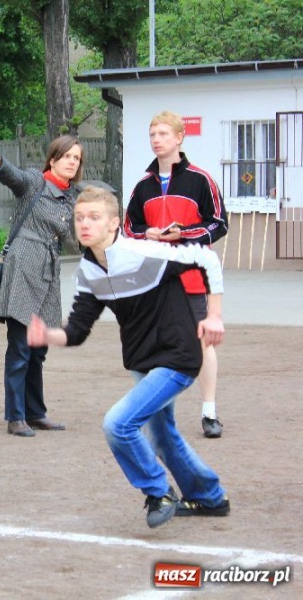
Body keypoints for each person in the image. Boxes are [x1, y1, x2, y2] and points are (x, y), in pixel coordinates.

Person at [27, 186, 230, 528]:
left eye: (94, 217)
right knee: (162, 436)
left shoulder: (145, 252)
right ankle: (210, 498)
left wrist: (214, 315)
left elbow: (206, 258)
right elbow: (77, 329)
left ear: (113, 223)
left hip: (178, 355)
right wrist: (48, 335)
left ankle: (158, 491)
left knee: (118, 424)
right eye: (79, 218)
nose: (85, 224)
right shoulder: (89, 270)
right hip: (142, 361)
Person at [124, 110, 229, 439]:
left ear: (179, 138)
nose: (157, 140)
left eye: (163, 134)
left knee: (202, 342)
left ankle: (209, 412)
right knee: (154, 345)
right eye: (152, 134)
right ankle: (156, 413)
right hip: (153, 278)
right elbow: (130, 228)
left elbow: (219, 223)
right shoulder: (142, 185)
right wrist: (149, 235)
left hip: (194, 277)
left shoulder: (200, 179)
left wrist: (184, 234)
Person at [0, 135, 83, 437]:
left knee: (38, 348)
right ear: (53, 159)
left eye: (76, 158)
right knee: (20, 347)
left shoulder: (70, 198)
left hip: (48, 272)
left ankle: (36, 413)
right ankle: (15, 417)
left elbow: (76, 241)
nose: (72, 162)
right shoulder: (36, 183)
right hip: (23, 266)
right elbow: (15, 177)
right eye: (67, 157)